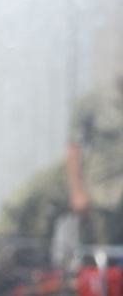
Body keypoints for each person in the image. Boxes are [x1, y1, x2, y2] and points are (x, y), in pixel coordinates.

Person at [66, 64, 123, 245]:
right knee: (96, 255)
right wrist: (77, 191)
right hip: (101, 194)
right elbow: (75, 145)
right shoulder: (95, 100)